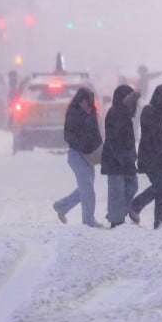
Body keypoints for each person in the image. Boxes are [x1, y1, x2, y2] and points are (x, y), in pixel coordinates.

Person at [130, 83, 162, 229]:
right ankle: (135, 206)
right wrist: (161, 154)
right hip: (150, 158)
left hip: (160, 158)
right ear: (161, 98)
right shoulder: (149, 111)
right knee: (160, 187)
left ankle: (160, 221)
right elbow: (153, 136)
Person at [52, 87, 104, 227]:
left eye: (88, 102)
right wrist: (82, 145)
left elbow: (96, 134)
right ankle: (88, 220)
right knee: (88, 190)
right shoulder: (73, 115)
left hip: (89, 156)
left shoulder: (92, 114)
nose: (86, 105)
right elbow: (68, 136)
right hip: (77, 155)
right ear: (79, 101)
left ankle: (62, 206)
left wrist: (99, 149)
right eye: (84, 102)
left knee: (85, 188)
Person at [100, 84, 140, 228]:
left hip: (126, 159)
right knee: (117, 190)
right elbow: (114, 140)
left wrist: (131, 158)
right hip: (114, 160)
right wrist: (122, 159)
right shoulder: (114, 114)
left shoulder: (125, 115)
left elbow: (128, 140)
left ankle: (115, 213)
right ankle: (116, 221)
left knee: (132, 186)